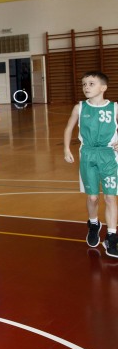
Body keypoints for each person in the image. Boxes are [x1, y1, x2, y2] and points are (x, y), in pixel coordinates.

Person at [63, 71, 118, 258]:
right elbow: (69, 127)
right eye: (84, 84)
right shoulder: (79, 107)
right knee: (93, 198)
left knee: (110, 197)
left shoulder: (114, 107)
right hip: (87, 154)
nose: (86, 87)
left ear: (103, 88)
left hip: (109, 155)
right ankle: (94, 223)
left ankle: (112, 236)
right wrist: (66, 149)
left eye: (91, 84)